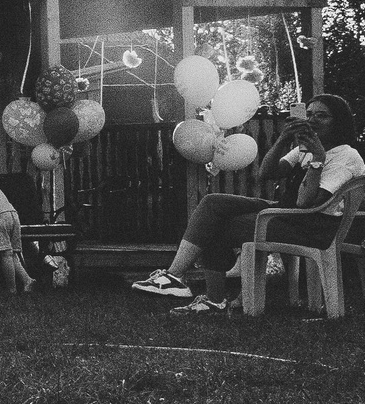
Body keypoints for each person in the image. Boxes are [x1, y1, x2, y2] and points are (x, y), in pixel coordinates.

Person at [128, 93, 359, 313]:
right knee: (213, 204)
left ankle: (212, 299)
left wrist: (318, 159)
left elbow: (305, 204)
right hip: (286, 213)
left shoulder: (345, 156)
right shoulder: (307, 149)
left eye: (322, 115)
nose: (312, 120)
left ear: (339, 122)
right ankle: (174, 276)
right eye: (309, 114)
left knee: (218, 225)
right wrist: (283, 139)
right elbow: (265, 173)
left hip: (312, 226)